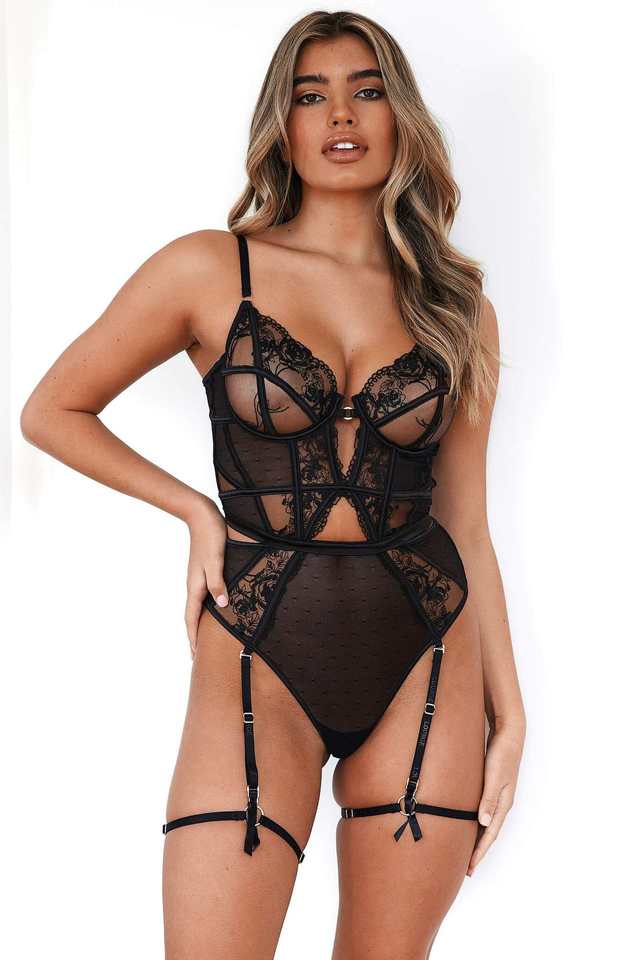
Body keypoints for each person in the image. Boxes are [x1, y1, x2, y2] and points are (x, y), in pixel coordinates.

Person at [20, 10, 526, 959]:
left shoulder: (459, 308)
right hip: (257, 647)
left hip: (428, 656)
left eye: (367, 90)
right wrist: (194, 511)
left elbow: (466, 521)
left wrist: (513, 713)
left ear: (401, 115)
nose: (341, 114)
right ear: (281, 124)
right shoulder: (211, 268)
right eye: (310, 94)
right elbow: (53, 410)